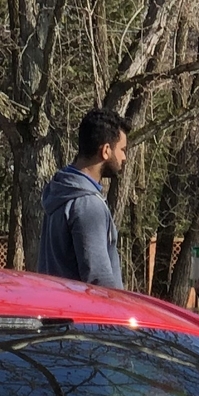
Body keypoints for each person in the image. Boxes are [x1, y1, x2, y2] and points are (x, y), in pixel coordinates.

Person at [37, 109, 126, 287]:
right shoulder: (88, 205)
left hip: (56, 309)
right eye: (122, 150)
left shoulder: (60, 191)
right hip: (84, 314)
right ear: (106, 150)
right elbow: (99, 280)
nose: (124, 157)